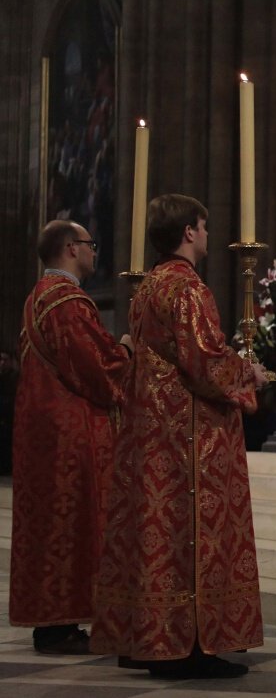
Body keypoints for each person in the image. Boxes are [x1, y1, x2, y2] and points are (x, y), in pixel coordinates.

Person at [91, 194, 268, 678]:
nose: (208, 235)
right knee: (188, 536)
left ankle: (147, 636)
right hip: (188, 436)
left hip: (152, 430)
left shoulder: (148, 287)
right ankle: (187, 647)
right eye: (205, 227)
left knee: (158, 537)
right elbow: (206, 361)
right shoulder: (188, 289)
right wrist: (249, 373)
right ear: (189, 232)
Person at [8, 220, 131, 654]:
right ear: (69, 247)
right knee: (71, 525)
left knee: (51, 527)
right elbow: (94, 366)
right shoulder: (66, 301)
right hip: (69, 434)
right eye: (89, 245)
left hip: (40, 428)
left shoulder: (37, 297)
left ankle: (52, 620)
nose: (94, 252)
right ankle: (58, 625)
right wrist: (128, 353)